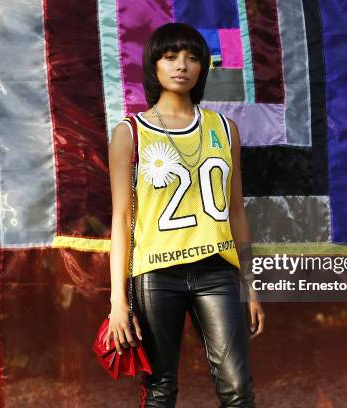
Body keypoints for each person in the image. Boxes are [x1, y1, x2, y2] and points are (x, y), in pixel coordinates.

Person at [106, 22, 264, 407]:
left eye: (193, 57)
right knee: (160, 388)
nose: (182, 65)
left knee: (238, 387)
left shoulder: (225, 129)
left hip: (218, 271)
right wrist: (116, 303)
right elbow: (122, 220)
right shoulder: (130, 132)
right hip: (156, 274)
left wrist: (250, 284)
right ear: (154, 66)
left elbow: (237, 211)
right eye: (171, 56)